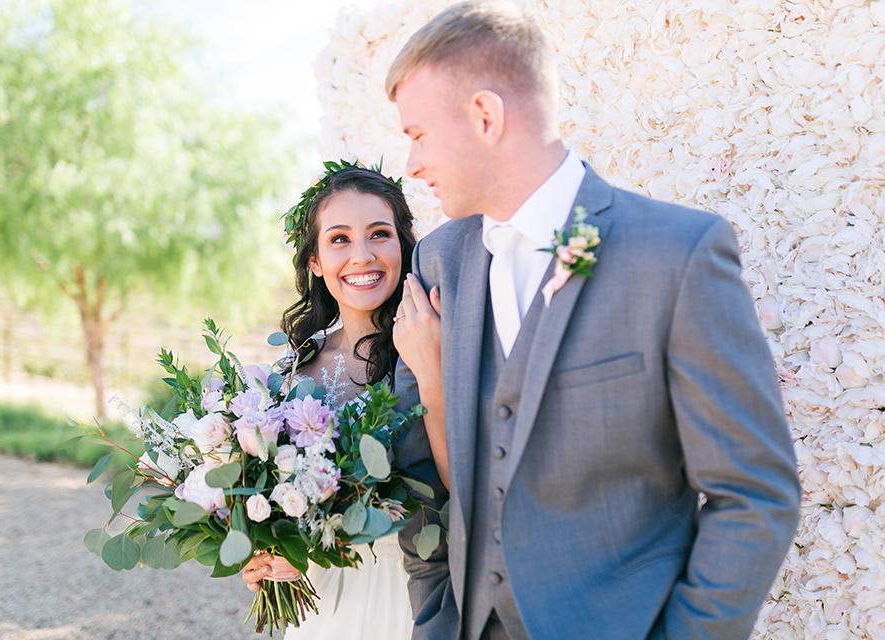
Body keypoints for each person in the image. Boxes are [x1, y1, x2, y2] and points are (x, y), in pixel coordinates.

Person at [388, 3, 802, 640]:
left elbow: (755, 495)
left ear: (485, 116)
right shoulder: (439, 261)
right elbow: (419, 475)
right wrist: (435, 615)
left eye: (418, 134)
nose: (411, 163)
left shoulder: (675, 255)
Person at [240, 165, 445, 640]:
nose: (363, 256)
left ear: (402, 245)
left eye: (379, 234)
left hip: (412, 589)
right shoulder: (291, 368)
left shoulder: (434, 343)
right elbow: (276, 497)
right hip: (322, 602)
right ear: (313, 260)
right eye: (339, 239)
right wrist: (269, 551)